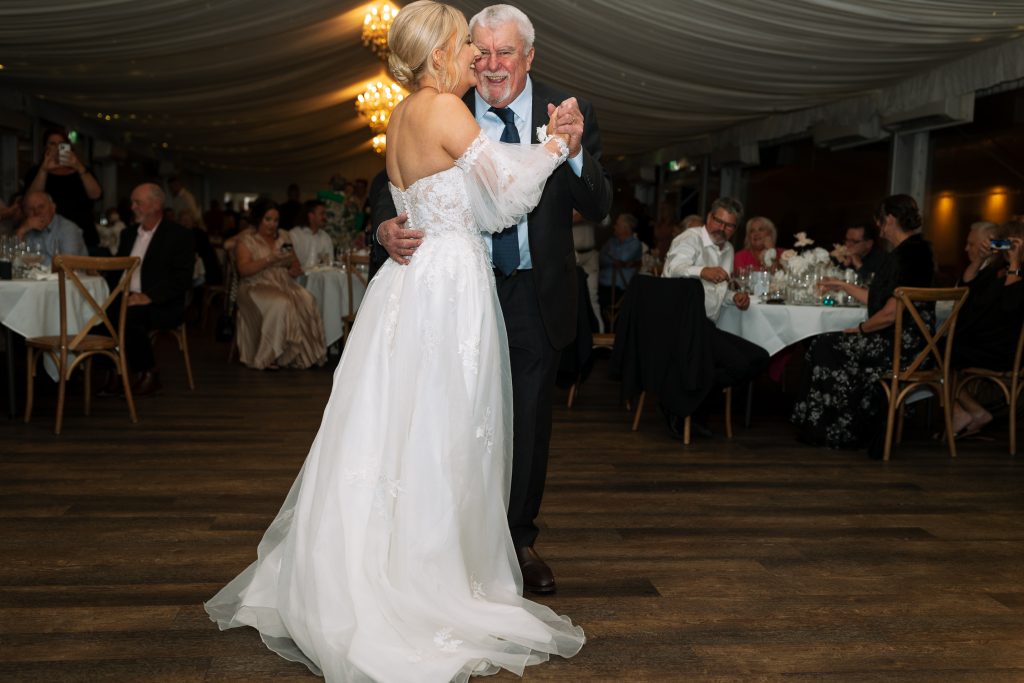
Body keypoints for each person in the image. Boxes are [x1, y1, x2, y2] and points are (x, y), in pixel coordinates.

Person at [205, 3, 586, 678]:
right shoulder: (443, 108)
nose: (476, 53)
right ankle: (427, 578)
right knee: (444, 430)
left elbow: (428, 196)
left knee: (394, 429)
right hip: (447, 288)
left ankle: (377, 561)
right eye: (465, 43)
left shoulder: (403, 116)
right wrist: (556, 145)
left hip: (410, 291)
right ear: (441, 52)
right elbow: (506, 198)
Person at [373, 2, 611, 595]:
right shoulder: (448, 107)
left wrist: (570, 145)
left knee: (523, 418)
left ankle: (515, 539)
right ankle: (455, 544)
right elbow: (402, 190)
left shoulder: (566, 109)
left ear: (529, 56)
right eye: (478, 49)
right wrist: (383, 226)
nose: (489, 63)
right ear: (453, 53)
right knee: (450, 415)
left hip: (530, 289)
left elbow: (600, 204)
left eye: (504, 52)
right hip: (456, 289)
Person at [793, 194, 935, 456]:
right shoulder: (917, 251)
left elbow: (892, 313)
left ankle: (840, 431)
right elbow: (881, 298)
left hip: (902, 346)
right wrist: (842, 285)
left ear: (889, 220)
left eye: (880, 222)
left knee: (824, 345)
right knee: (828, 343)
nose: (880, 229)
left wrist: (860, 329)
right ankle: (847, 426)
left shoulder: (906, 257)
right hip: (910, 340)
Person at [661, 197, 769, 437]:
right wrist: (703, 271)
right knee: (738, 363)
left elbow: (717, 289)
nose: (721, 228)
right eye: (718, 221)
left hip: (707, 326)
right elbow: (673, 269)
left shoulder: (728, 249)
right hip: (683, 324)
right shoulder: (691, 238)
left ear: (735, 228)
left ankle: (686, 399)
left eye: (729, 225)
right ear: (709, 218)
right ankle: (684, 406)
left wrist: (734, 298)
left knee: (759, 358)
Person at [106, 183, 195, 396]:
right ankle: (116, 371)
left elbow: (181, 278)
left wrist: (148, 297)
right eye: (133, 202)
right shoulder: (128, 234)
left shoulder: (178, 235)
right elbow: (118, 270)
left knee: (129, 317)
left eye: (138, 202)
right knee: (99, 315)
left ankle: (148, 372)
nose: (132, 207)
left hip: (162, 302)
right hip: (126, 298)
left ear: (156, 205)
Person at [949, 220, 1024, 436]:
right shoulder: (997, 268)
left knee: (941, 351)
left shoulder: (1016, 270)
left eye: (1013, 241)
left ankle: (967, 411)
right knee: (941, 347)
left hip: (1005, 349)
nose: (1007, 246)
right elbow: (966, 291)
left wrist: (1015, 264)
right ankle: (971, 411)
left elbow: (1010, 306)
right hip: (983, 341)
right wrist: (980, 259)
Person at [233, 200, 325, 370]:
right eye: (268, 219)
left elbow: (295, 262)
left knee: (307, 299)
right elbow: (243, 270)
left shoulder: (284, 236)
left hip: (283, 281)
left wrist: (293, 269)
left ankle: (300, 354)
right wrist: (269, 260)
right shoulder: (246, 239)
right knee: (281, 302)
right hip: (255, 284)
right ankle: (270, 355)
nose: (272, 224)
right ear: (259, 219)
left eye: (275, 220)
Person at [23, 128, 102, 249]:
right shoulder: (37, 172)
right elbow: (31, 199)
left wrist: (78, 166)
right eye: (52, 144)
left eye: (61, 144)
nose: (57, 148)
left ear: (68, 147)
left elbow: (96, 194)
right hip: (47, 235)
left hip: (83, 234)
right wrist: (44, 170)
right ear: (45, 147)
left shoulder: (82, 170)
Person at [14, 191, 88, 267]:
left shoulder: (68, 229)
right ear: (25, 212)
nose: (36, 212)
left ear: (53, 207)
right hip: (36, 278)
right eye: (31, 209)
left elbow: (68, 264)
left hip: (74, 278)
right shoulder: (27, 229)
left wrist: (33, 262)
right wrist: (21, 231)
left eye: (41, 207)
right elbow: (14, 262)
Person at [598, 212, 642, 314]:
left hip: (620, 289)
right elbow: (601, 258)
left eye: (617, 224)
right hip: (602, 285)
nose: (614, 227)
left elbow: (623, 257)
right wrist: (615, 261)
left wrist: (611, 255)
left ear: (626, 228)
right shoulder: (611, 241)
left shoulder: (635, 244)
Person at [289, 199, 334, 268]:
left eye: (325, 214)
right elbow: (289, 263)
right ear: (311, 216)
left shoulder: (325, 237)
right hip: (297, 277)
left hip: (320, 277)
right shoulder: (295, 235)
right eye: (322, 214)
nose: (325, 217)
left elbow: (329, 263)